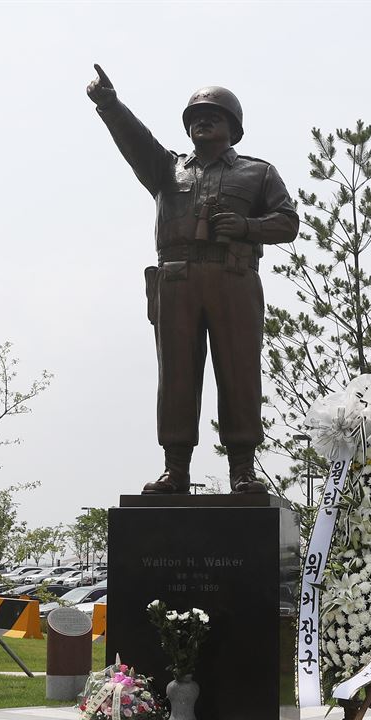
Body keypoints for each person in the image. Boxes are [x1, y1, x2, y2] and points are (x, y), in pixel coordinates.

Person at [86, 66, 299, 494]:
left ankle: (242, 468)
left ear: (233, 128)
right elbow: (135, 140)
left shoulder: (259, 173)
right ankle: (175, 469)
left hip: (233, 278)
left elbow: (288, 223)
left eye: (214, 115)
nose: (202, 120)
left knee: (239, 373)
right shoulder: (166, 170)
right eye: (195, 116)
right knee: (177, 375)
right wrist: (109, 104)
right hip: (177, 280)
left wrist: (245, 226)